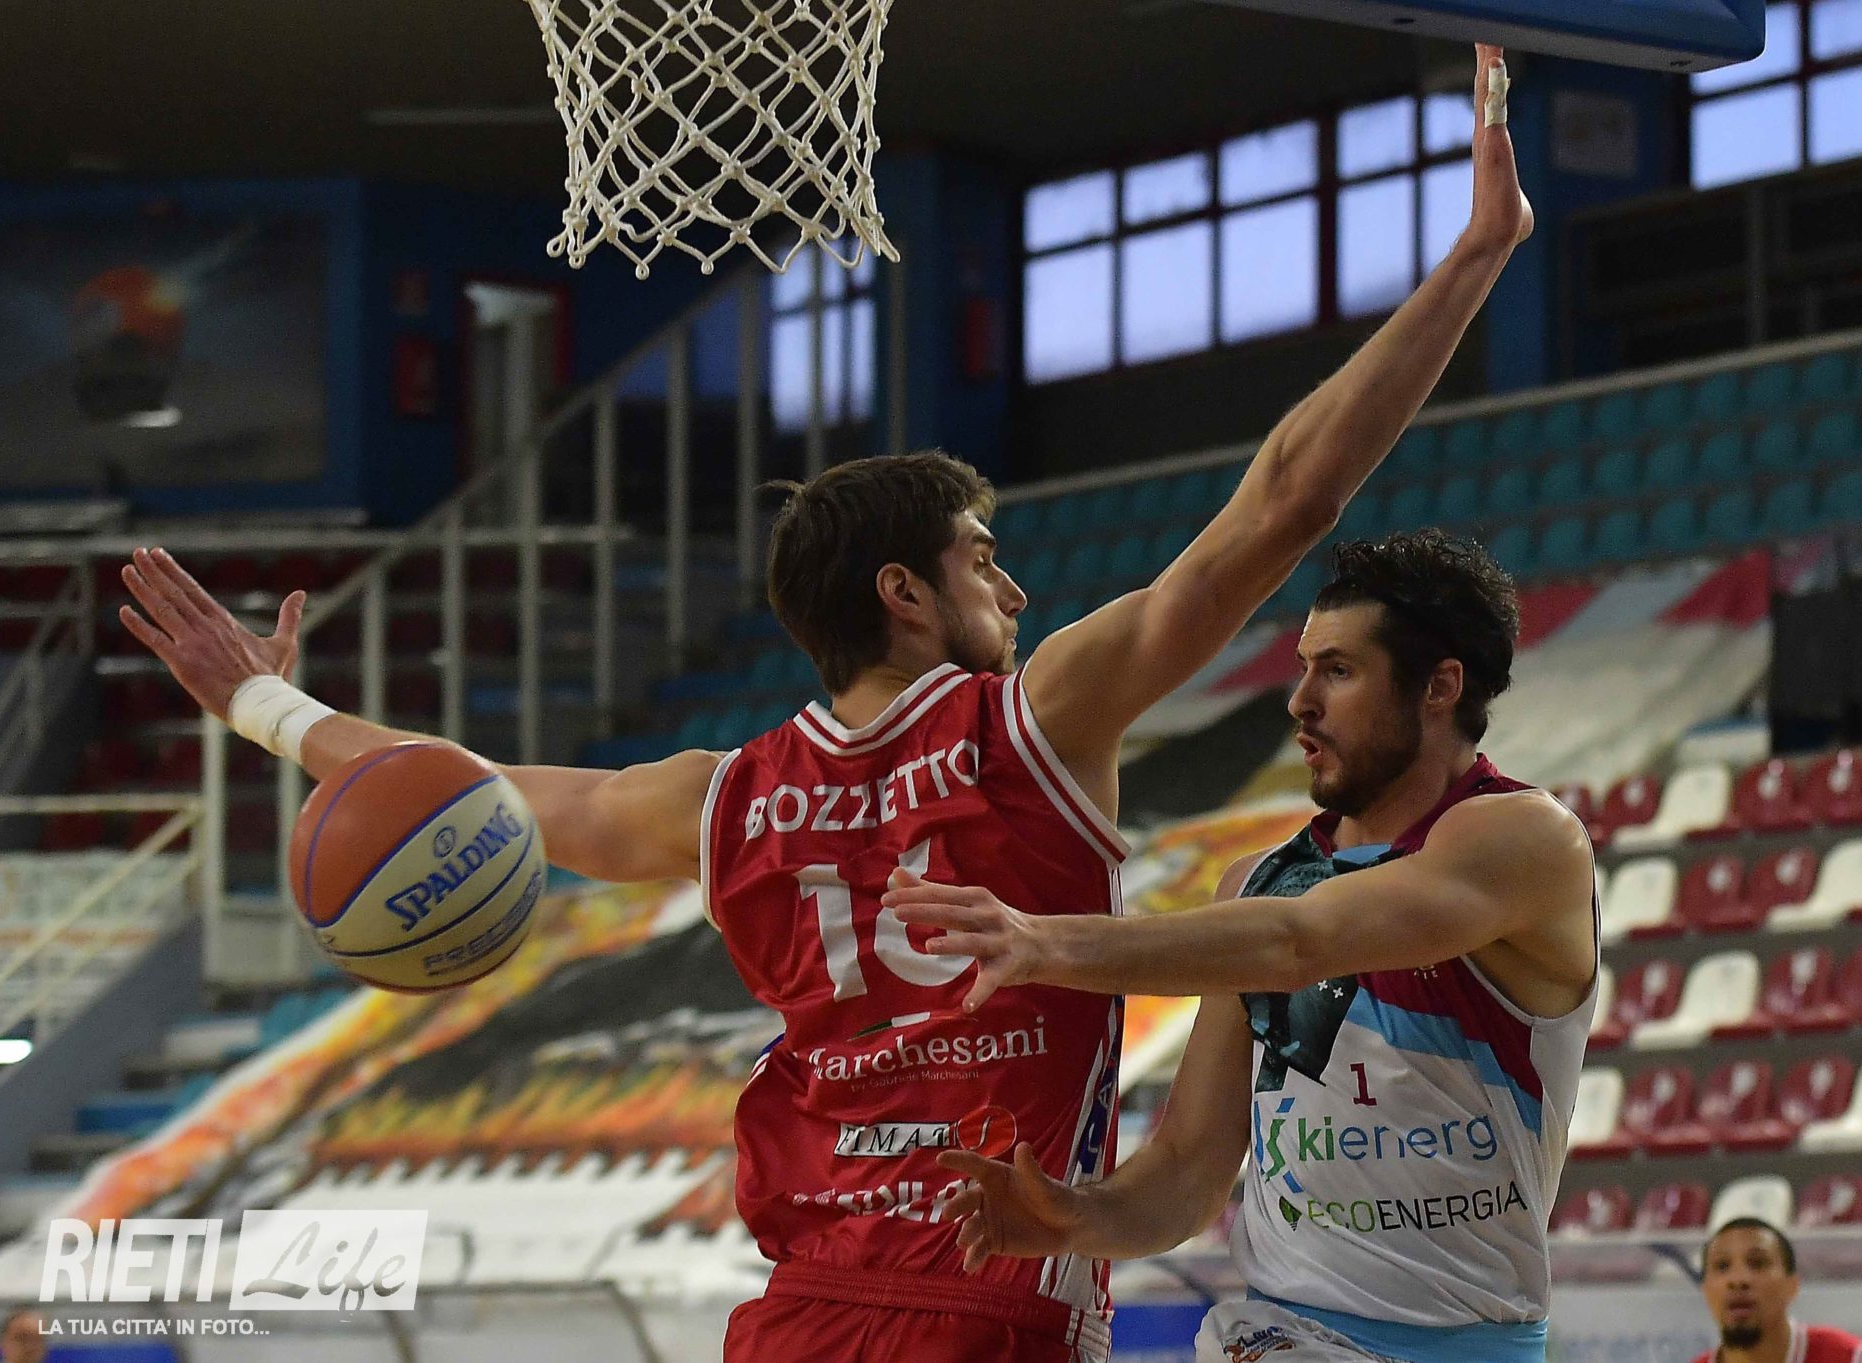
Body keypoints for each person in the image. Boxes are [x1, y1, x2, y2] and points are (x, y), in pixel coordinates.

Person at [117, 43, 1531, 1363]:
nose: (1014, 587)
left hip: (798, 1312)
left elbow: (465, 790)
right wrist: (1471, 258)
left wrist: (268, 709)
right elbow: (1287, 499)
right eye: (982, 558)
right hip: (988, 1288)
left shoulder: (717, 793)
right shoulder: (1033, 721)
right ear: (905, 591)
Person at [884, 529, 1598, 1363]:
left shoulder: (1526, 841)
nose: (1299, 701)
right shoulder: (1257, 881)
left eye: (1338, 670)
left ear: (1440, 686)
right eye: (1303, 667)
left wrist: (1040, 940)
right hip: (1285, 1332)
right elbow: (1188, 1168)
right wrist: (1078, 1216)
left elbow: (1301, 942)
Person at [1693, 1218, 1862, 1363]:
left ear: (1792, 1285)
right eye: (1722, 1266)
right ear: (1705, 1290)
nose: (1738, 1280)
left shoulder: (1854, 1358)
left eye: (1757, 1263)